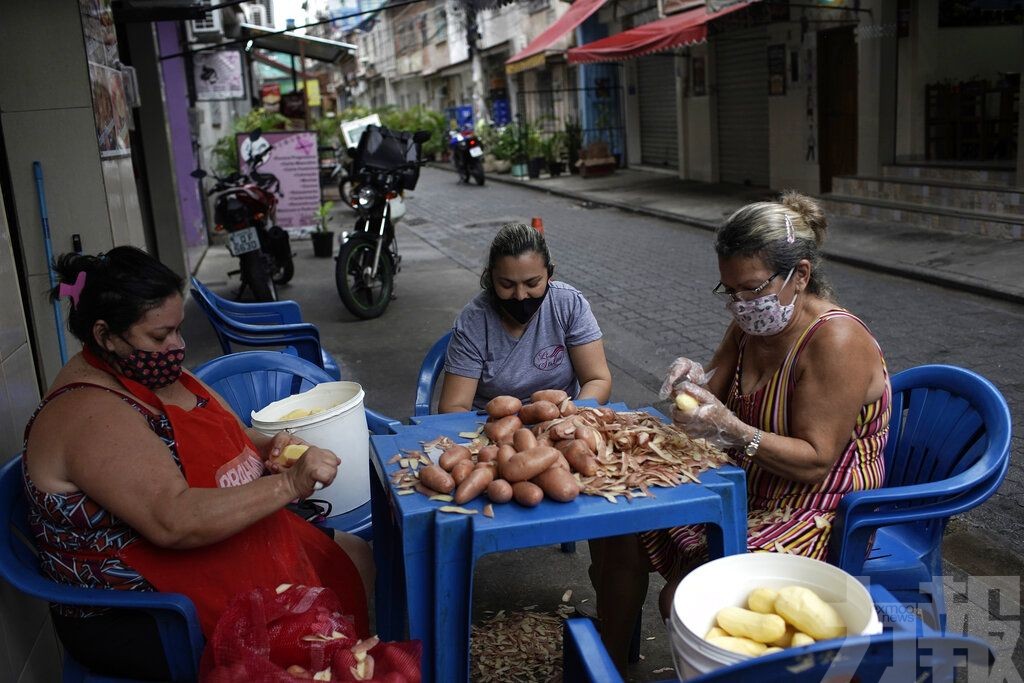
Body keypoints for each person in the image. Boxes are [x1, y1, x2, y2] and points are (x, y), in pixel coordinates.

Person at [22, 247, 373, 679]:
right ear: (105, 335)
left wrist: (272, 447)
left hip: (216, 546)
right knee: (307, 634)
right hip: (143, 607)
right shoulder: (88, 415)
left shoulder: (147, 371)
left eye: (178, 329)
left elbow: (235, 437)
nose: (177, 347)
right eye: (159, 336)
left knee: (354, 557)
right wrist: (288, 486)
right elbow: (174, 520)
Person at [591, 191, 891, 668]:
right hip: (744, 487)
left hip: (817, 508)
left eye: (751, 289)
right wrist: (691, 384)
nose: (740, 304)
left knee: (687, 601)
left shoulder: (836, 341)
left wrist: (730, 427)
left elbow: (815, 461)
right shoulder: (749, 323)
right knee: (618, 528)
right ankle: (607, 663)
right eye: (729, 291)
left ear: (801, 276)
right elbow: (713, 390)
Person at [438, 222, 612, 412]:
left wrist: (572, 417)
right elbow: (454, 406)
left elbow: (597, 379)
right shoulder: (474, 323)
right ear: (490, 278)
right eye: (506, 284)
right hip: (493, 430)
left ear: (549, 274)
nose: (520, 295)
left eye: (532, 283)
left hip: (561, 423)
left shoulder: (568, 304)